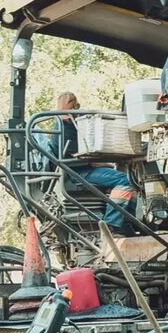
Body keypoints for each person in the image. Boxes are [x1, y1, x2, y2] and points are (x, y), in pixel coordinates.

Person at [56, 91, 137, 234]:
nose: (77, 111)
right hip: (79, 172)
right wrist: (105, 163)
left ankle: (128, 224)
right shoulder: (65, 129)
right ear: (66, 107)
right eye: (74, 106)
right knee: (125, 181)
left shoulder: (65, 126)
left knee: (130, 182)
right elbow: (80, 158)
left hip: (80, 169)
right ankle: (112, 224)